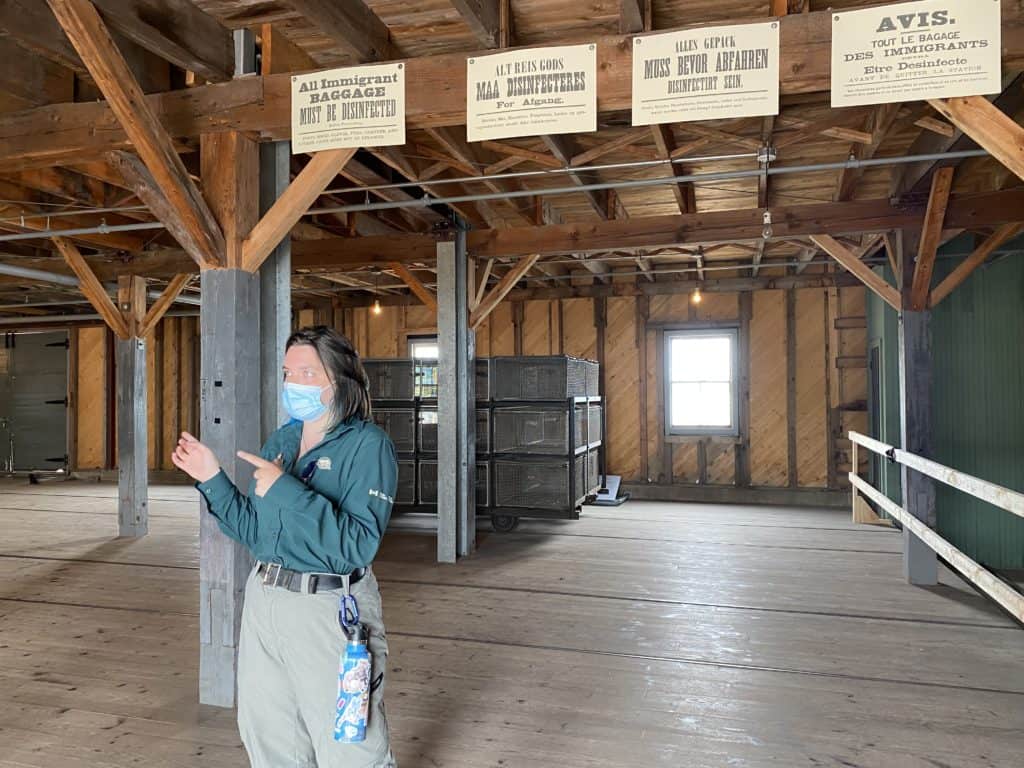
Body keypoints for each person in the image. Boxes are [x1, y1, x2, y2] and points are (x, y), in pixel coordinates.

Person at [172, 326, 399, 768]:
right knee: (270, 737)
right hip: (265, 602)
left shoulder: (369, 447)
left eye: (308, 373)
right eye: (287, 372)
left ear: (340, 379)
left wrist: (286, 490)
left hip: (329, 608)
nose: (294, 383)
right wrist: (211, 478)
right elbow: (258, 535)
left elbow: (356, 546)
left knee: (349, 745)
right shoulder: (284, 440)